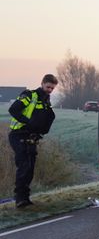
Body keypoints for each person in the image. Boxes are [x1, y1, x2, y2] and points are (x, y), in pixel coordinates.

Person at [7, 74, 57, 208]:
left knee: (30, 169)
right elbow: (13, 110)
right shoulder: (30, 95)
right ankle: (19, 199)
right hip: (18, 134)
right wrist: (28, 123)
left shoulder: (46, 101)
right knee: (24, 166)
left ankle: (25, 198)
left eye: (52, 88)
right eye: (48, 87)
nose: (50, 90)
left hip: (31, 137)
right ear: (42, 83)